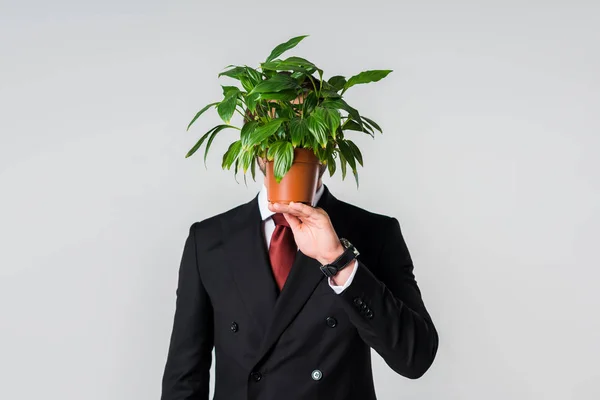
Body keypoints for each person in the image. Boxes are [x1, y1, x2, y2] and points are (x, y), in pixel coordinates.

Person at [161, 89, 439, 400]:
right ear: (256, 142)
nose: (291, 146)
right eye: (276, 131)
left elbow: (416, 358)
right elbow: (184, 378)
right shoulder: (209, 240)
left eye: (304, 130)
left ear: (327, 143)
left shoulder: (374, 233)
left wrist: (339, 260)